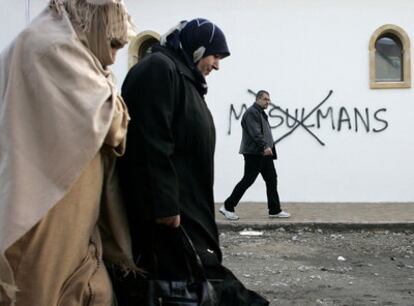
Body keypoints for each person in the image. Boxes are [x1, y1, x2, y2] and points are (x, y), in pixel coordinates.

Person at [118, 18, 269, 305]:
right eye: (214, 55)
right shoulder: (158, 69)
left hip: (188, 211)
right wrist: (165, 205)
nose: (217, 65)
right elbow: (150, 139)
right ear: (196, 48)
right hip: (172, 220)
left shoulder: (182, 76)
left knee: (198, 289)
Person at [0, 1, 136, 305]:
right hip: (46, 208)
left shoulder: (57, 44)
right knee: (41, 290)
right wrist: (114, 99)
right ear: (94, 21)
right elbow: (112, 123)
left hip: (72, 205)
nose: (113, 59)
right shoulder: (52, 47)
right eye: (113, 44)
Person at [220, 90, 291, 220]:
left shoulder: (260, 113)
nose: (268, 102)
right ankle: (227, 206)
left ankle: (274, 210)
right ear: (257, 99)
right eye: (265, 99)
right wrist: (264, 146)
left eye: (269, 100)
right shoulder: (251, 113)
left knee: (271, 179)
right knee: (248, 180)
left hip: (264, 154)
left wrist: (268, 148)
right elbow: (255, 133)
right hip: (255, 153)